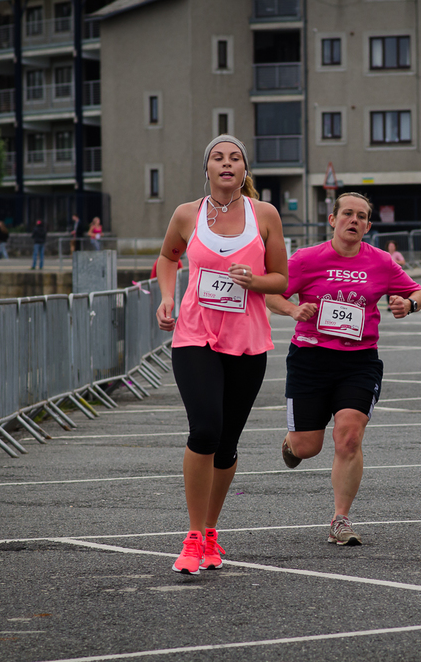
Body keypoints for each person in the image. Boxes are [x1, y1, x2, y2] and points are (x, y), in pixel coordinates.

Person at [155, 135, 287, 575]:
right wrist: (168, 297)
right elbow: (167, 257)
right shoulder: (186, 214)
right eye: (218, 157)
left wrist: (255, 280)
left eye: (235, 158)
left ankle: (211, 530)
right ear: (207, 169)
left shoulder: (264, 215)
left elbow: (282, 280)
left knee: (227, 443)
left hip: (247, 339)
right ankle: (193, 536)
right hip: (195, 335)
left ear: (245, 171)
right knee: (205, 429)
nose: (226, 164)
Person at [266, 192, 421, 546]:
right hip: (310, 359)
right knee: (309, 447)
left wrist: (408, 304)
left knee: (349, 437)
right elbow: (272, 293)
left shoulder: (381, 262)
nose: (354, 220)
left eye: (361, 216)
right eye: (347, 214)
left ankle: (340, 519)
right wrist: (294, 311)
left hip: (359, 361)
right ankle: (293, 444)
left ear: (369, 226)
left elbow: (417, 290)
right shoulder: (308, 259)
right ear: (333, 219)